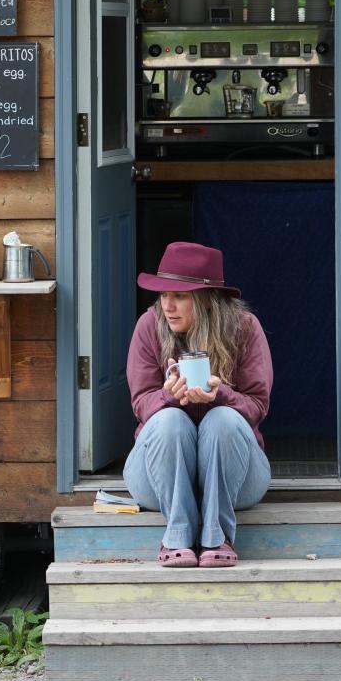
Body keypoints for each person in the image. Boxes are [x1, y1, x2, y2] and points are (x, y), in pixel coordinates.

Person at [123, 241, 272, 568]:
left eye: (179, 296)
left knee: (222, 418)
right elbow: (141, 405)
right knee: (168, 421)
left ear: (206, 300)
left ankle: (217, 535)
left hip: (238, 480)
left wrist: (222, 396)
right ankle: (177, 533)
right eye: (163, 295)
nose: (167, 306)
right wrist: (168, 396)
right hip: (156, 479)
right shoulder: (149, 327)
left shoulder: (244, 328)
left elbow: (258, 406)